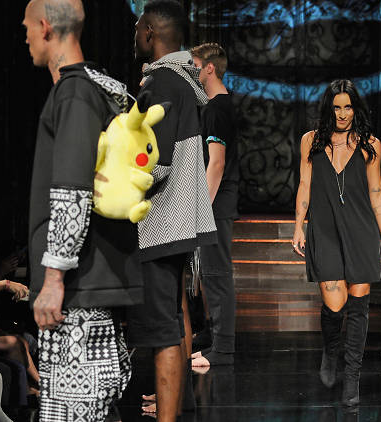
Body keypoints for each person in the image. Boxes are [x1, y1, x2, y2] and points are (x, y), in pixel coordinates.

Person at [23, 0, 142, 420]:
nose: (24, 37)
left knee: (73, 412)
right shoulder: (97, 87)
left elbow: (73, 191)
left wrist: (53, 278)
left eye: (26, 27)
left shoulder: (75, 92)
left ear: (44, 27)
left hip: (75, 289)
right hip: (88, 281)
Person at [129, 1, 217, 420]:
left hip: (163, 221)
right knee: (176, 310)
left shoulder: (162, 83)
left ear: (149, 31)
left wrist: (116, 189)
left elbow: (154, 161)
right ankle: (177, 407)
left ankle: (168, 414)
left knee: (163, 324)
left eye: (137, 27)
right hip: (180, 218)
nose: (133, 34)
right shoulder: (179, 81)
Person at [291, 79, 381, 406]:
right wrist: (298, 226)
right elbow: (305, 185)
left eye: (348, 106)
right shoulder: (310, 141)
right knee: (334, 305)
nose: (342, 114)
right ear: (329, 108)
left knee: (358, 304)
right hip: (324, 229)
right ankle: (330, 349)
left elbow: (377, 193)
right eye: (336, 107)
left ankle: (352, 378)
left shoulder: (370, 145)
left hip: (361, 229)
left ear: (356, 108)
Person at [189, 42, 239, 367]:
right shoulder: (217, 105)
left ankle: (222, 349)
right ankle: (211, 338)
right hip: (218, 200)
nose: (192, 72)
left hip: (217, 203)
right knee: (208, 273)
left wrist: (201, 210)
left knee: (217, 273)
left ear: (209, 68)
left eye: (195, 65)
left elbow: (216, 163)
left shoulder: (217, 108)